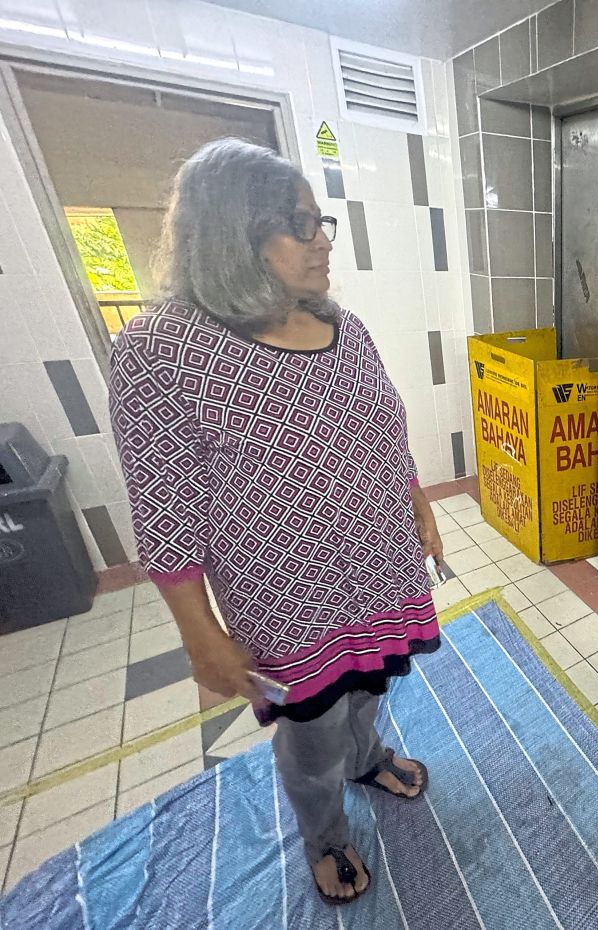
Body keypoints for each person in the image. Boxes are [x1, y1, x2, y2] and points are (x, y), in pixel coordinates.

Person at [109, 139, 445, 906]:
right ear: (234, 231)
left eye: (320, 220)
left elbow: (384, 430)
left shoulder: (342, 326)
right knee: (314, 724)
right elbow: (164, 510)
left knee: (369, 689)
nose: (323, 238)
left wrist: (419, 510)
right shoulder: (160, 350)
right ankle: (325, 832)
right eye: (300, 223)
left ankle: (368, 761)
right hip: (286, 594)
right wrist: (201, 635)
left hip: (379, 562)